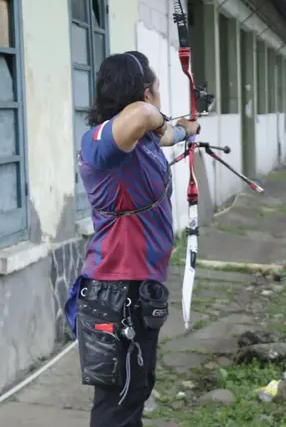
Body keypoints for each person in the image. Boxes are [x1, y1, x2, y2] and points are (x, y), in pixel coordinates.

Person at [64, 50, 199, 427]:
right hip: (116, 291)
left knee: (134, 389)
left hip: (137, 288)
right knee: (117, 403)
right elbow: (143, 117)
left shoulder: (141, 142)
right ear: (144, 93)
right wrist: (153, 113)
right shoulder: (99, 142)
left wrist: (189, 127)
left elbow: (168, 133)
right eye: (155, 90)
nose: (157, 101)